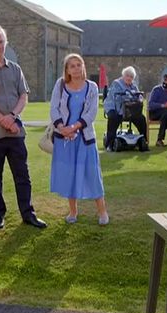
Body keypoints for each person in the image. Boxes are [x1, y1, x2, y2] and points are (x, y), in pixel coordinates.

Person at [0, 24, 47, 230]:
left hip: (16, 134)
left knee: (23, 176)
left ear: (6, 43)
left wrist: (13, 116)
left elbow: (24, 96)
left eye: (1, 42)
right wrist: (4, 120)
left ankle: (28, 214)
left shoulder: (16, 69)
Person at [49, 54, 109, 225]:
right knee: (69, 175)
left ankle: (102, 212)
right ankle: (73, 211)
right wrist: (62, 128)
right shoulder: (60, 85)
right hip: (65, 140)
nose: (76, 68)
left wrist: (74, 127)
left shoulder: (92, 87)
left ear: (83, 66)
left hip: (85, 138)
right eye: (72, 66)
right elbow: (54, 108)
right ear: (67, 70)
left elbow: (91, 114)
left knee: (92, 174)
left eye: (78, 65)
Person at [103, 66, 148, 151]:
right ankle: (110, 143)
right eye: (127, 76)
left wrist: (138, 99)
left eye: (131, 77)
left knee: (141, 118)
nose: (129, 78)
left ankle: (144, 140)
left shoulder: (133, 86)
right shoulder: (116, 83)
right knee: (113, 117)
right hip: (114, 106)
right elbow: (115, 97)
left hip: (128, 109)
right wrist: (129, 97)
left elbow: (138, 97)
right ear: (123, 76)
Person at [148, 73, 167, 147]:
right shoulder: (156, 90)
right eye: (165, 80)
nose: (166, 82)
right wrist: (163, 105)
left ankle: (160, 139)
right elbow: (151, 104)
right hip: (155, 113)